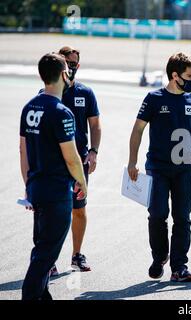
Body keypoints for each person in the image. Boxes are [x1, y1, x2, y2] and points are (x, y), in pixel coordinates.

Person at [127, 52, 191, 282]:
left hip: (185, 168)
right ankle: (159, 257)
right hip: (157, 167)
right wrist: (132, 161)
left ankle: (179, 266)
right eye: (189, 76)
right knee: (157, 215)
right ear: (175, 75)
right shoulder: (154, 98)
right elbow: (137, 130)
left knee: (182, 217)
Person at [20, 53, 87, 300]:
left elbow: (23, 151)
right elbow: (71, 157)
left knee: (41, 249)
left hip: (37, 186)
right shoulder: (61, 111)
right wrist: (81, 181)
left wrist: (29, 185)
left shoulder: (30, 107)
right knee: (47, 253)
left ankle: (42, 295)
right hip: (57, 190)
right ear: (63, 74)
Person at [47, 46, 101, 276]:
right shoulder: (49, 93)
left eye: (75, 63)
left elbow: (95, 124)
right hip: (53, 163)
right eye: (67, 62)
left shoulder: (85, 93)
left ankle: (76, 255)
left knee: (78, 209)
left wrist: (94, 151)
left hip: (79, 163)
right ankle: (48, 259)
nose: (71, 67)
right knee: (51, 211)